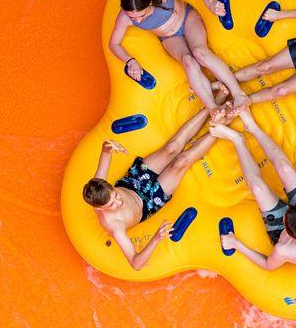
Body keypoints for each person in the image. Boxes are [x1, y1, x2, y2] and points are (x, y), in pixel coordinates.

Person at [82, 107, 223, 271]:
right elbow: (136, 264)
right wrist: (155, 239)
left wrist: (110, 145)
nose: (118, 201)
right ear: (100, 208)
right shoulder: (115, 226)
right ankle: (222, 124)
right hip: (148, 203)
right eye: (112, 204)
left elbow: (105, 149)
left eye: (115, 195)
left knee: (171, 147)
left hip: (134, 182)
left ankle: (214, 106)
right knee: (180, 162)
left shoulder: (99, 183)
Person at [211, 107, 296, 269]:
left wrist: (236, 244)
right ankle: (253, 127)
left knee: (258, 189)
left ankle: (237, 140)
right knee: (285, 168)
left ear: (285, 221)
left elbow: (268, 265)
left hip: (281, 231)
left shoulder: (284, 250)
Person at [109, 0, 245, 111]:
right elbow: (114, 44)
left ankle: (238, 94)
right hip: (169, 38)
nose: (137, 21)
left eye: (141, 15)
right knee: (188, 61)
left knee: (200, 53)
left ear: (150, 3)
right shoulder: (124, 17)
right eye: (133, 17)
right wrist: (130, 61)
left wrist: (210, 2)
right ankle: (213, 109)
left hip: (187, 19)